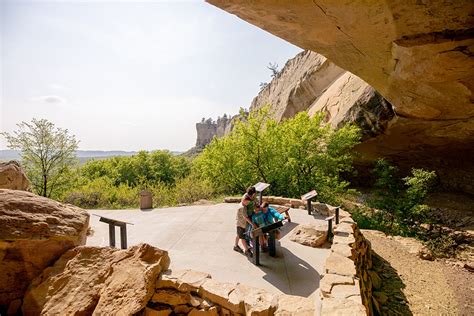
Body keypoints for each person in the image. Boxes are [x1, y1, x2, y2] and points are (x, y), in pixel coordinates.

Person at [234, 186, 257, 257]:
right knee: (242, 237)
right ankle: (247, 250)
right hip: (241, 224)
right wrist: (252, 224)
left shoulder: (243, 204)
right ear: (244, 200)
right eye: (247, 202)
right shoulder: (243, 207)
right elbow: (245, 217)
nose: (248, 204)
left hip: (240, 223)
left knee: (239, 235)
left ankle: (235, 246)